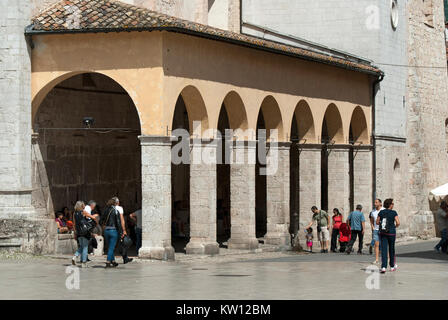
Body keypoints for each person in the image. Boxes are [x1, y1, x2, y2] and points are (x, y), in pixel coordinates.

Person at [376, 198, 400, 273]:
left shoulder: (381, 212)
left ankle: (383, 267)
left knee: (384, 249)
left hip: (383, 233)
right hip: (391, 233)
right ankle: (392, 266)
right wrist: (394, 227)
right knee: (391, 249)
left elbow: (377, 222)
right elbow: (398, 222)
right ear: (390, 205)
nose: (393, 205)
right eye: (392, 204)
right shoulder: (394, 213)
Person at [100, 198, 124, 268]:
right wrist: (121, 232)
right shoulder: (116, 211)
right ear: (115, 203)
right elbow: (118, 223)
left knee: (110, 246)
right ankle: (108, 262)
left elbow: (101, 220)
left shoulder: (105, 210)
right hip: (113, 230)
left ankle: (113, 261)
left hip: (106, 230)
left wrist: (103, 226)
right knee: (111, 247)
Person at [72, 201, 96, 268]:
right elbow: (91, 217)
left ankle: (75, 256)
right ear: (81, 206)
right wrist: (95, 217)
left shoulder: (74, 213)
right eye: (83, 205)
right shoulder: (83, 212)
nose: (84, 206)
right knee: (85, 247)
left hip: (78, 232)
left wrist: (75, 233)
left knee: (82, 246)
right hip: (85, 232)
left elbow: (74, 224)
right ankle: (84, 262)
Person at [111, 197, 133, 264]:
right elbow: (121, 219)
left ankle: (112, 259)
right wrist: (124, 229)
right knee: (123, 243)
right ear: (118, 202)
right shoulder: (119, 208)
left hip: (110, 228)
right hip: (118, 229)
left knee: (112, 245)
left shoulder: (110, 209)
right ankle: (125, 258)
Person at [369, 199, 384, 264]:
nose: (375, 203)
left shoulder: (383, 210)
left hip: (383, 230)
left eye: (376, 202)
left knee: (384, 245)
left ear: (380, 203)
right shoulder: (373, 212)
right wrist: (372, 227)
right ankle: (377, 259)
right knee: (376, 245)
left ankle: (386, 258)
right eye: (374, 202)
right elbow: (372, 220)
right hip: (376, 230)